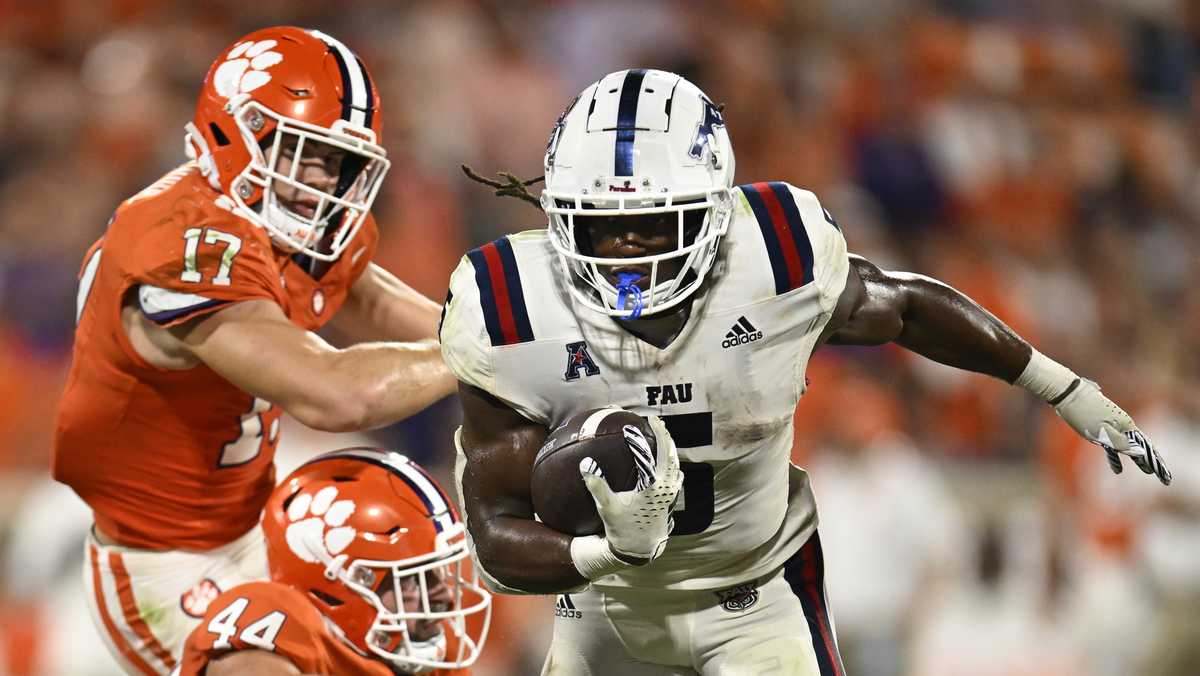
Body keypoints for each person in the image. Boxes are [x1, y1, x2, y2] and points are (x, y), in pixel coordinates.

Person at [442, 68, 1171, 675]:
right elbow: (495, 536)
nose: (628, 251)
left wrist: (1058, 384)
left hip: (756, 599)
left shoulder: (774, 259)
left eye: (654, 223)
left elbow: (905, 306)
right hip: (602, 605)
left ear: (715, 211)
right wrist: (606, 551)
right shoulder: (512, 306)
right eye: (601, 224)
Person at [52, 26, 455, 675]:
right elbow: (333, 393)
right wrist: (481, 352)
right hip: (163, 562)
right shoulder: (179, 242)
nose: (320, 181)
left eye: (336, 162)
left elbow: (366, 295)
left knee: (410, 552)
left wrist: (507, 335)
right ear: (234, 132)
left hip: (253, 519)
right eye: (300, 153)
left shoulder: (273, 214)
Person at [176, 448, 492, 675]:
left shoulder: (433, 653)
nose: (446, 598)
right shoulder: (273, 629)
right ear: (338, 584)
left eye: (435, 572)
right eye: (412, 580)